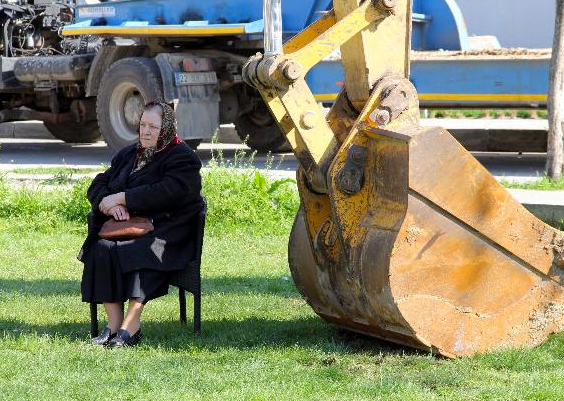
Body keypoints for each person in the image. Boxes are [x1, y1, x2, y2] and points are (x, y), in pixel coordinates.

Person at [78, 101, 203, 348]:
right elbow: (99, 183)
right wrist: (108, 204)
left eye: (153, 127)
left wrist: (124, 198)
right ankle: (113, 325)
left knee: (138, 250)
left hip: (167, 233)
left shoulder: (182, 157)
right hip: (126, 227)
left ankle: (131, 326)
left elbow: (169, 192)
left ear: (166, 128)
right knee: (102, 247)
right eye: (143, 125)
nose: (145, 131)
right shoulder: (129, 154)